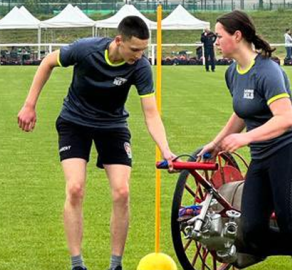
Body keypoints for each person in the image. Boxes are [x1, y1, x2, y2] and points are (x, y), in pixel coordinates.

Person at [17, 16, 176, 270]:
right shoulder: (86, 49)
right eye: (134, 49)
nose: (139, 55)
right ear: (118, 41)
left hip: (113, 126)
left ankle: (116, 265)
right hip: (74, 122)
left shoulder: (140, 67)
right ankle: (77, 264)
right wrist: (29, 105)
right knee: (75, 188)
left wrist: (166, 150)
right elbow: (48, 62)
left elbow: (151, 113)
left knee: (122, 192)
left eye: (143, 50)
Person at [198, 10, 292, 270]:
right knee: (250, 232)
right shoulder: (233, 73)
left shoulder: (267, 71)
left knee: (288, 222)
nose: (215, 41)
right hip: (261, 158)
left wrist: (245, 138)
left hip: (288, 152)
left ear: (237, 36)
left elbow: (285, 119)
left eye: (219, 36)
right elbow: (241, 112)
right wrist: (216, 143)